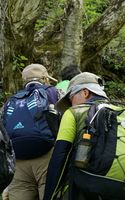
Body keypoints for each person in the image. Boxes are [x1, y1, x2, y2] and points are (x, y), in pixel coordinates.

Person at [43, 72, 108, 200]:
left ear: (85, 92)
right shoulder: (124, 114)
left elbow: (60, 157)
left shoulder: (74, 113)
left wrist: (49, 195)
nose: (71, 104)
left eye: (71, 98)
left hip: (81, 191)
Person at [2, 64, 59, 200]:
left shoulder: (12, 100)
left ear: (24, 81)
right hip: (47, 156)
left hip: (18, 159)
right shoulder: (52, 92)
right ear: (45, 78)